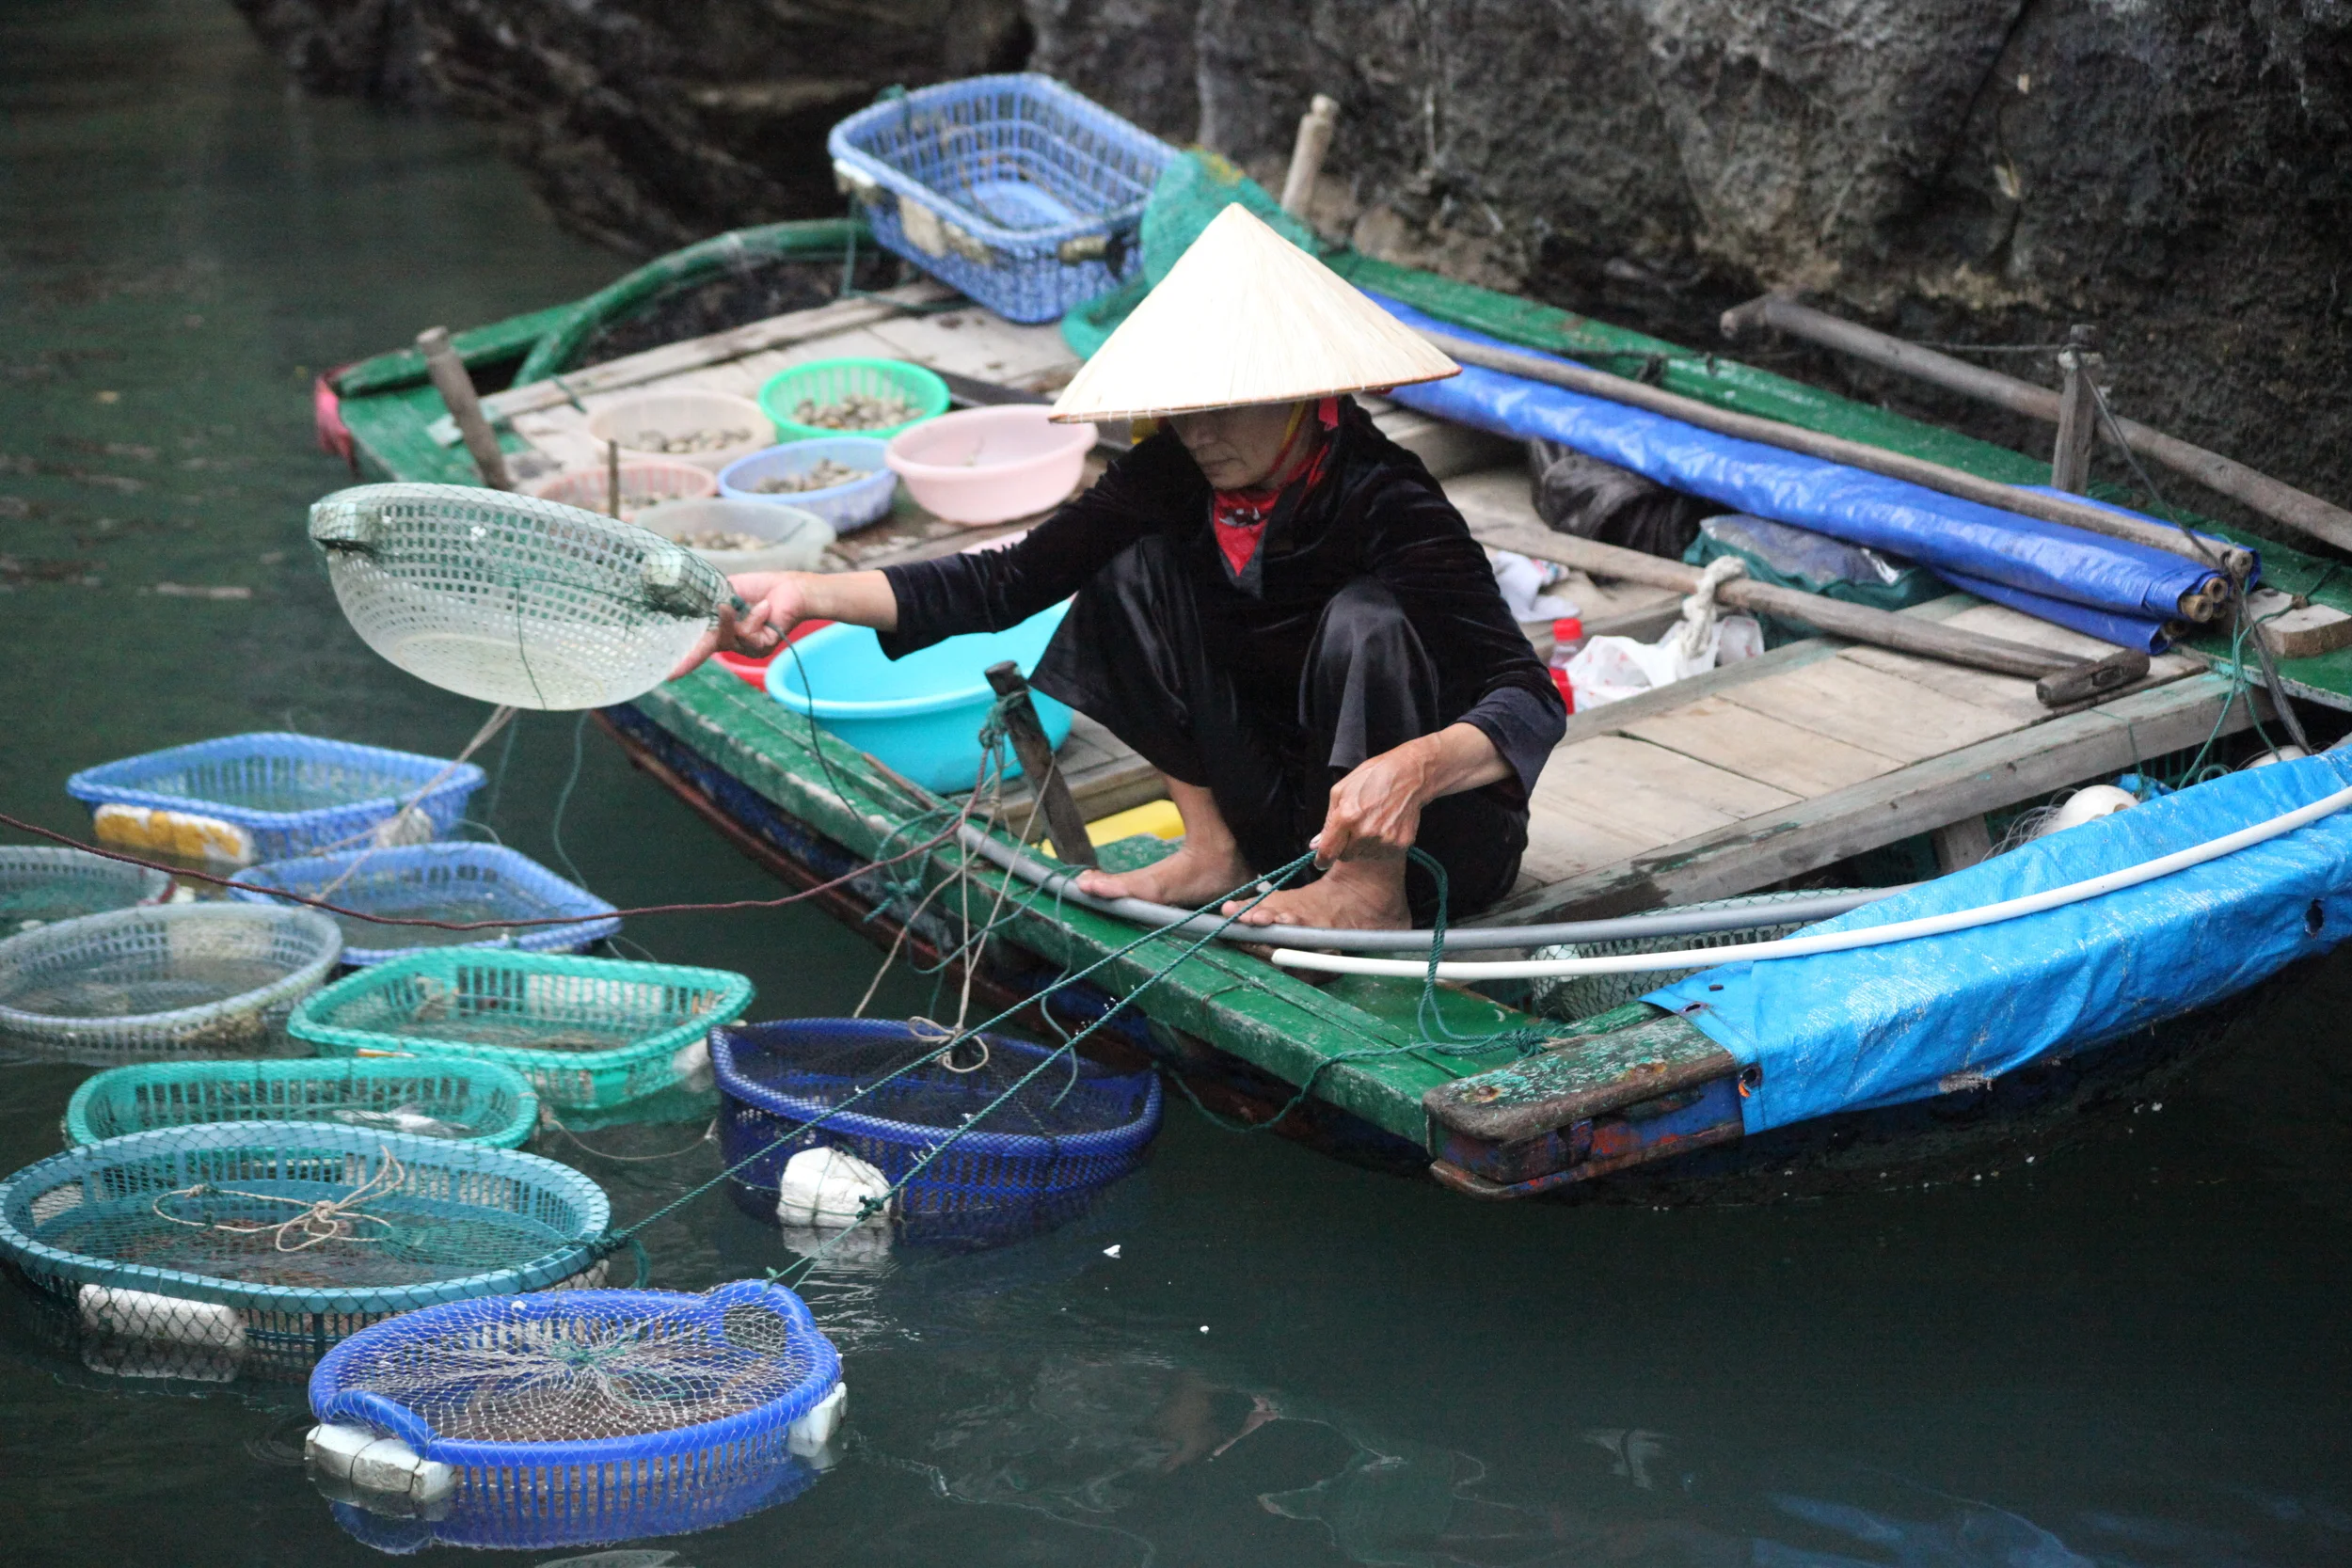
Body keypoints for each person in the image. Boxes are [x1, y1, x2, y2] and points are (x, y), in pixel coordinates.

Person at [674, 206, 1565, 929]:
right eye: (1183, 412)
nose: (1200, 433)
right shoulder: (1175, 473)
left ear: (1302, 392)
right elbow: (1007, 582)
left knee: (1365, 618)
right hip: (1290, 815)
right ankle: (1212, 849)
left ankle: (1369, 896)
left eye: (1224, 408)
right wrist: (805, 594)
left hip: (1435, 844)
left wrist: (1415, 765)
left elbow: (1528, 698)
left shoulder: (1387, 497)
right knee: (1132, 565)